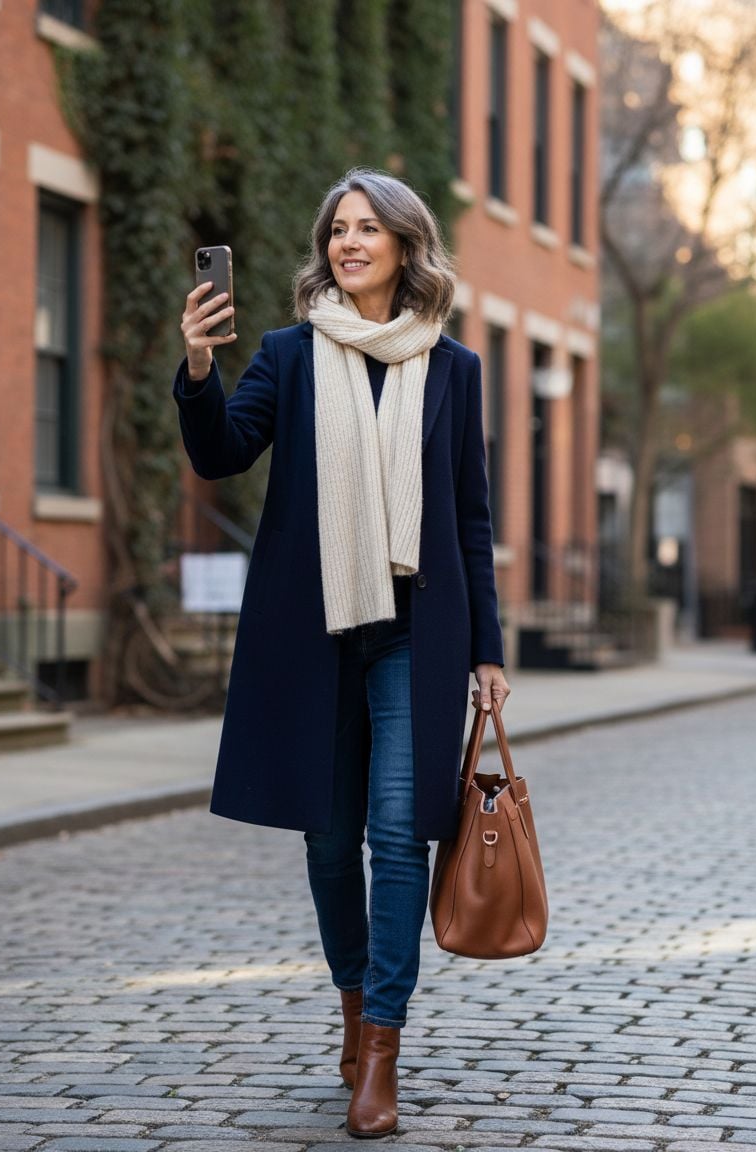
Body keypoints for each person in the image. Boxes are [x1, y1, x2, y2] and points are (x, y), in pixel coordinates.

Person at [174, 168, 509, 1138]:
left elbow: (468, 515)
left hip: (416, 634)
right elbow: (221, 453)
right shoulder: (285, 355)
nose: (347, 243)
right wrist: (199, 372)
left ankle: (381, 1055)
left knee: (399, 837)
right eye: (336, 230)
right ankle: (353, 1006)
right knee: (329, 844)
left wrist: (486, 645)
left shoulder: (452, 369)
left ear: (406, 246)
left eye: (367, 229)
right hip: (312, 635)